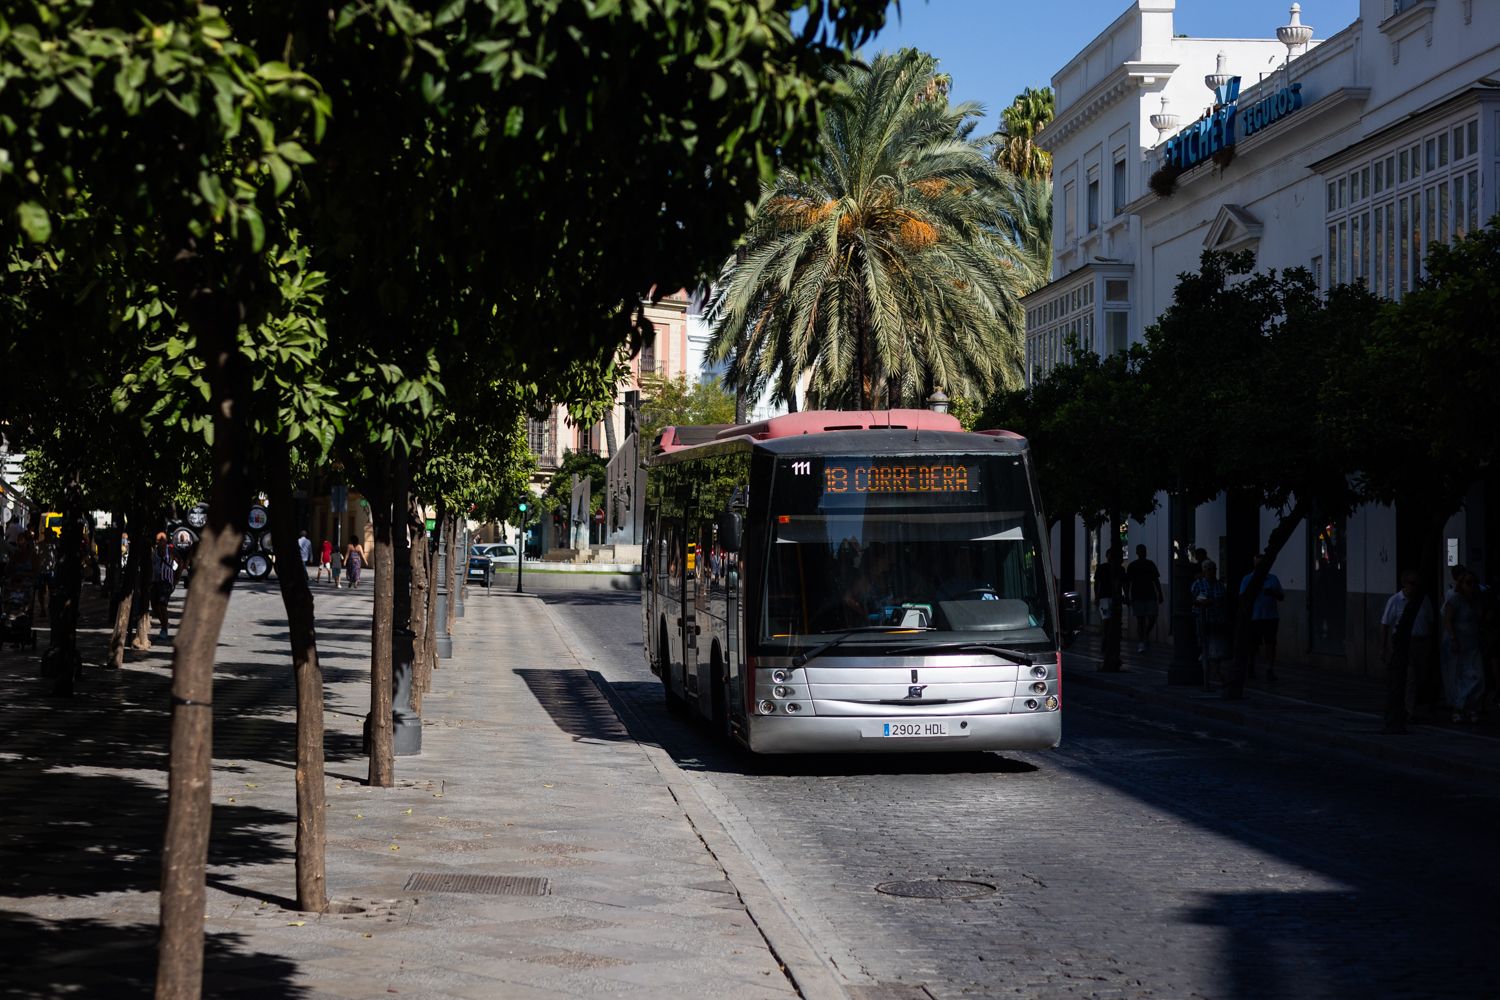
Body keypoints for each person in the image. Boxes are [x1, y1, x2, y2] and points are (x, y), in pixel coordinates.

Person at [1380, 572, 1434, 733]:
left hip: (1422, 642)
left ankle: (1411, 707)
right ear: (1404, 583)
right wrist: (1383, 647)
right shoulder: (1395, 601)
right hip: (1404, 643)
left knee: (1420, 676)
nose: (1414, 587)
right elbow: (1385, 624)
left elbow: (1430, 621)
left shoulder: (1423, 600)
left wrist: (1430, 643)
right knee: (1409, 677)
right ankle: (1408, 712)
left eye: (1417, 583)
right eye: (1411, 583)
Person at [1441, 570, 1485, 723]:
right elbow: (1448, 620)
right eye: (1467, 582)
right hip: (1458, 643)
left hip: (1472, 643)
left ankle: (1471, 705)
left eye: (1473, 582)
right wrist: (1453, 638)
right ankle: (1458, 707)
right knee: (1458, 676)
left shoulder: (1476, 600)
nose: (1471, 586)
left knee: (1477, 676)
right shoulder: (1455, 599)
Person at [1239, 553, 1286, 682]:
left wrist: (1272, 593)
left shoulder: (1273, 579)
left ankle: (1270, 669)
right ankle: (1251, 667)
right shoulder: (1247, 579)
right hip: (1254, 617)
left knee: (1270, 644)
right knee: (1253, 645)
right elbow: (1242, 598)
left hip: (1270, 616)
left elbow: (1281, 597)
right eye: (1258, 564)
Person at [1192, 560, 1230, 690]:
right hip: (1203, 621)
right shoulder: (1198, 584)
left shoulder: (1220, 585)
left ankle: (1217, 672)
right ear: (1204, 571)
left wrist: (1215, 602)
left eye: (1214, 569)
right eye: (1209, 569)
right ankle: (1206, 680)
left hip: (1218, 621)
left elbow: (1224, 600)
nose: (1212, 572)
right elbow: (1196, 601)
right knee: (1205, 649)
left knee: (1217, 651)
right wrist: (1207, 602)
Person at [1125, 544, 1164, 653]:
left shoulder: (1150, 564)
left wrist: (1160, 593)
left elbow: (1155, 580)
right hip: (1137, 595)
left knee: (1152, 617)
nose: (1143, 552)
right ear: (1137, 552)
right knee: (1140, 620)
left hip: (1149, 595)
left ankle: (1145, 635)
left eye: (1144, 550)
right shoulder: (1133, 566)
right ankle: (1142, 641)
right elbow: (1128, 582)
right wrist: (1127, 596)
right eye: (1141, 550)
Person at [1095, 546, 1125, 672]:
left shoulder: (1120, 569)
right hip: (1104, 598)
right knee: (1106, 621)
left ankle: (1108, 642)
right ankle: (1105, 639)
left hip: (1114, 598)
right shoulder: (1102, 568)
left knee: (1113, 622)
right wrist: (1097, 596)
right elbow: (1097, 583)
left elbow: (1124, 583)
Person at [149, 532, 176, 640]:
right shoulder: (154, 551)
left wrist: (175, 580)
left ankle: (164, 629)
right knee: (154, 605)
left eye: (161, 540)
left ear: (165, 541)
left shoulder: (171, 550)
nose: (159, 543)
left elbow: (181, 562)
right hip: (156, 581)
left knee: (162, 604)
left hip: (166, 581)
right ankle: (164, 624)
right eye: (157, 541)